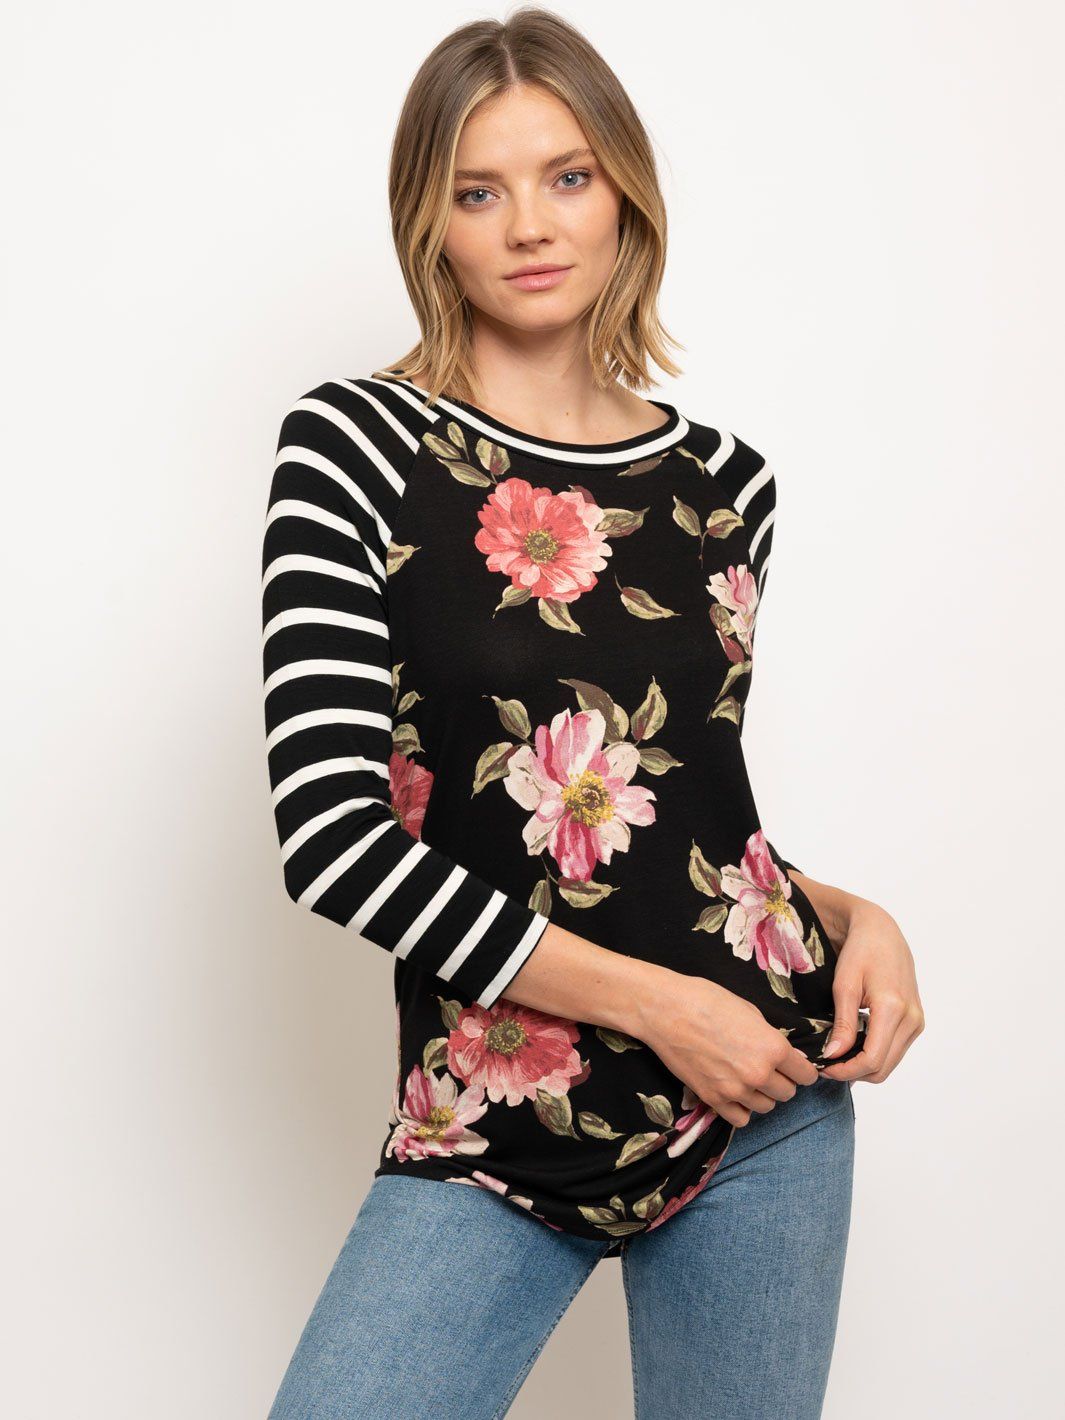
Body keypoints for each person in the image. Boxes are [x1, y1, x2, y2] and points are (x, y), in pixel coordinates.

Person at [261, 8, 924, 1417]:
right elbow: (334, 842)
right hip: (499, 1114)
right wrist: (663, 1008)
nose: (528, 226)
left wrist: (849, 914)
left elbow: (664, 807)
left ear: (624, 188)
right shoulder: (354, 446)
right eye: (476, 191)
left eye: (566, 176)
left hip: (761, 1100)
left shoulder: (725, 483)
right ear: (428, 222)